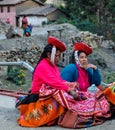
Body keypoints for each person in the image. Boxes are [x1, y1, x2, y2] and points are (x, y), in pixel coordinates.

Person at [17, 38, 111, 128]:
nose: (84, 60)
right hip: (39, 96)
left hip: (52, 92)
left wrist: (95, 70)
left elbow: (96, 82)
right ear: (49, 55)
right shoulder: (49, 66)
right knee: (61, 94)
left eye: (86, 57)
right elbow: (54, 83)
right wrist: (70, 89)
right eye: (81, 57)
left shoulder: (85, 69)